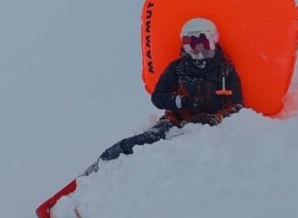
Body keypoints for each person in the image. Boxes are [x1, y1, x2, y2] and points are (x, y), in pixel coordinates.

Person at [91, 17, 244, 170]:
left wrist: (216, 118)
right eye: (190, 45)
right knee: (144, 141)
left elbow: (237, 105)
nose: (197, 51)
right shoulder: (178, 68)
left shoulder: (225, 71)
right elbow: (158, 97)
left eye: (202, 43)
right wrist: (180, 101)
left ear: (213, 41)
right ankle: (108, 158)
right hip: (175, 123)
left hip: (207, 129)